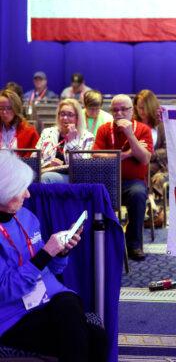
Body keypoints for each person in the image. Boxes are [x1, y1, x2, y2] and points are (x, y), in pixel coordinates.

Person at [0, 151, 107, 361]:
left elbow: (51, 269)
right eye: (21, 190)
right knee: (72, 312)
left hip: (47, 302)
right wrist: (46, 253)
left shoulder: (26, 216)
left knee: (96, 337)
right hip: (11, 316)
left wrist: (61, 253)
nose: (28, 195)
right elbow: (6, 291)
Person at [93, 94, 153, 261]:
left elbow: (144, 158)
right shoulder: (104, 129)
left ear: (131, 111)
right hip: (107, 180)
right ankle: (103, 242)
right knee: (93, 193)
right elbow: (96, 156)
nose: (119, 113)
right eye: (115, 110)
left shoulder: (142, 129)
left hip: (133, 183)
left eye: (123, 109)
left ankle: (133, 244)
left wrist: (130, 135)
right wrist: (127, 154)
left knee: (138, 194)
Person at [36, 99, 94, 184]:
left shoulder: (87, 137)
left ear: (77, 118)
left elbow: (82, 167)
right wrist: (49, 165)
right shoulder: (47, 132)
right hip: (46, 172)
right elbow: (35, 158)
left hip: (74, 177)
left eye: (70, 115)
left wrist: (71, 142)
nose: (65, 118)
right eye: (62, 114)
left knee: (46, 178)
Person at [133, 89, 167, 226]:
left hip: (160, 165)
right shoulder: (133, 125)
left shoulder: (161, 125)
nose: (141, 111)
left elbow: (167, 150)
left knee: (147, 171)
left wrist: (149, 154)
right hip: (138, 163)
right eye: (139, 107)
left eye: (144, 107)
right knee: (142, 170)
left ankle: (150, 206)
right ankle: (151, 207)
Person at [0, 89, 39, 156]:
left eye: (9, 108)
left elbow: (35, 160)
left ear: (16, 108)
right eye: (1, 108)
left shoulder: (29, 131)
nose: (4, 112)